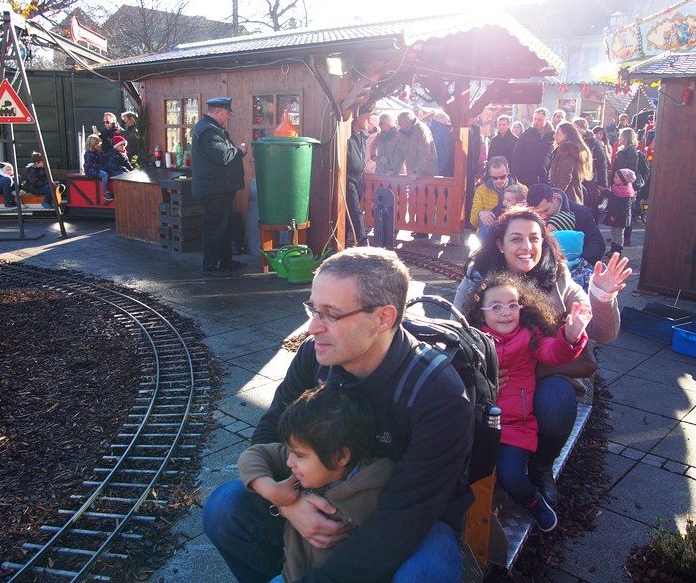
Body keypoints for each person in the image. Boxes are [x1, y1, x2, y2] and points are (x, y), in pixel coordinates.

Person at [203, 247, 474, 583]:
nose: (313, 327)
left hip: (409, 519)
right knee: (224, 509)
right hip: (320, 496)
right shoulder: (315, 357)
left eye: (330, 314)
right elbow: (271, 431)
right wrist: (291, 505)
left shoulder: (439, 395)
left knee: (425, 573)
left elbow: (403, 518)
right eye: (313, 309)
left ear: (383, 319)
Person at [453, 207, 630, 506]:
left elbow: (602, 332)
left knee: (556, 399)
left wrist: (601, 294)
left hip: (544, 373)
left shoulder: (557, 276)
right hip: (496, 381)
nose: (527, 247)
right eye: (517, 239)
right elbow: (456, 331)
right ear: (500, 243)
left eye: (534, 238)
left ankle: (542, 465)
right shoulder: (478, 279)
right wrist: (480, 372)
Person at [462, 271, 591, 532]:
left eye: (512, 305)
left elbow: (554, 354)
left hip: (514, 426)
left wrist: (570, 335)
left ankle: (533, 501)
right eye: (496, 307)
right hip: (477, 423)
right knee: (464, 470)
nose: (506, 313)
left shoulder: (529, 336)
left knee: (511, 476)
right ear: (481, 312)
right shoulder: (474, 340)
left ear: (522, 307)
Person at [238, 383, 394, 583]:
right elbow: (255, 454)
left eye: (299, 455)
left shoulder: (375, 489)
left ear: (340, 456)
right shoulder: (307, 461)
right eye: (290, 451)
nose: (289, 461)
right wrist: (270, 489)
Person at [191, 97, 247, 276]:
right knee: (215, 226)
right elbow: (222, 156)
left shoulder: (208, 128)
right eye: (225, 113)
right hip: (214, 188)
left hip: (219, 187)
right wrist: (240, 151)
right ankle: (211, 263)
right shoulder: (209, 131)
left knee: (223, 224)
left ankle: (225, 260)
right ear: (216, 112)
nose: (227, 117)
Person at [526, 184, 606, 265]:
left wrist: (580, 262)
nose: (542, 216)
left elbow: (596, 243)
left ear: (555, 197)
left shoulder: (581, 213)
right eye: (538, 213)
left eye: (546, 210)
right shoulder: (529, 216)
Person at [470, 155, 518, 240]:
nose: (499, 180)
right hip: (489, 229)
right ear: (489, 173)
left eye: (502, 177)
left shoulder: (521, 189)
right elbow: (473, 222)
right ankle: (484, 251)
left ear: (508, 171)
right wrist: (480, 213)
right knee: (486, 221)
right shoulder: (481, 190)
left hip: (512, 225)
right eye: (495, 178)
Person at [548, 122, 592, 205]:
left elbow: (566, 177)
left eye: (557, 133)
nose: (554, 136)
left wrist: (557, 195)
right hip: (567, 197)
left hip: (568, 199)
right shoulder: (564, 150)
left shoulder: (568, 151)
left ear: (566, 134)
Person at [574, 118, 608, 223]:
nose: (578, 130)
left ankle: (592, 227)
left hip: (590, 179)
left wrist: (603, 182)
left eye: (580, 127)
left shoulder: (593, 142)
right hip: (575, 178)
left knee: (591, 205)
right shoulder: (570, 140)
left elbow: (602, 163)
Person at [346, 106, 371, 247]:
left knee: (352, 209)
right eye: (366, 118)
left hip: (360, 177)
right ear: (358, 117)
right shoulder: (347, 135)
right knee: (355, 209)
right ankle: (362, 240)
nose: (368, 121)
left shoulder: (362, 136)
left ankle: (345, 239)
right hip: (349, 176)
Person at [611, 127, 640, 247]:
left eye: (621, 135)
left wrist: (624, 180)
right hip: (619, 182)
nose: (619, 138)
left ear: (626, 137)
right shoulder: (622, 149)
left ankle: (625, 237)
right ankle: (617, 238)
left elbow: (632, 170)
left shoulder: (631, 150)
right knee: (618, 210)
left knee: (626, 211)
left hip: (625, 184)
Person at [512, 107, 554, 187]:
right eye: (535, 119)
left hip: (544, 178)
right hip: (527, 177)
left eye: (539, 120)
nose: (536, 122)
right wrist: (517, 177)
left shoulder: (552, 136)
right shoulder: (526, 135)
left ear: (546, 120)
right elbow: (516, 156)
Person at [604, 169, 636, 256]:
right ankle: (612, 249)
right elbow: (612, 197)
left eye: (616, 177)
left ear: (623, 179)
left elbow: (623, 208)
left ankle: (618, 251)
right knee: (613, 233)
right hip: (614, 216)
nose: (614, 179)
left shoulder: (626, 193)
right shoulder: (616, 188)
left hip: (621, 217)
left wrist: (615, 215)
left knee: (619, 234)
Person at [396, 111, 438, 177]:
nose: (398, 124)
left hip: (427, 173)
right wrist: (393, 170)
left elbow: (424, 153)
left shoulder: (421, 129)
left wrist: (416, 172)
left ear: (406, 121)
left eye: (399, 122)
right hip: (413, 174)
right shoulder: (403, 132)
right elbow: (399, 153)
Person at [83, 133, 112, 201]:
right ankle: (106, 193)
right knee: (104, 174)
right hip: (91, 170)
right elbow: (91, 165)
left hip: (98, 168)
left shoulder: (98, 152)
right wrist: (102, 168)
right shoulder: (89, 154)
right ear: (92, 145)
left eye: (99, 144)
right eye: (96, 144)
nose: (98, 145)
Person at [429, 111, 454, 177]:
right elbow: (448, 148)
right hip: (443, 163)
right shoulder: (445, 130)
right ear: (441, 118)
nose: (447, 120)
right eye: (446, 118)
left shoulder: (429, 128)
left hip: (430, 163)